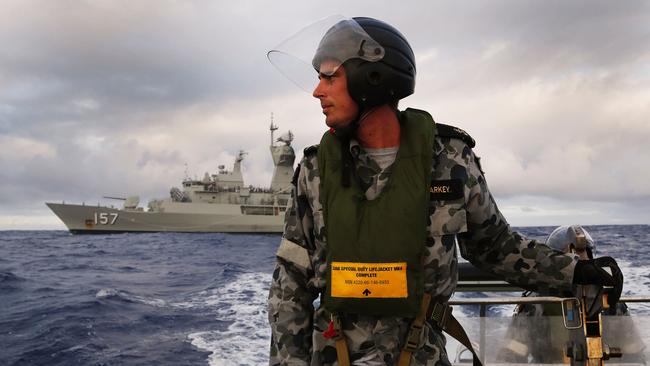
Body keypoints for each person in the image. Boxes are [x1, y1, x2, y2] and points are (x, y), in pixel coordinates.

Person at [266, 16, 623, 366]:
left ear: (370, 78)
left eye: (329, 76)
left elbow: (495, 246)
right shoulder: (314, 171)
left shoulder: (451, 159)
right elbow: (290, 288)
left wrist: (574, 273)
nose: (318, 90)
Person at [499, 225, 641, 364]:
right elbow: (511, 357)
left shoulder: (611, 303)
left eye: (584, 258)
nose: (580, 259)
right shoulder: (536, 304)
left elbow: (634, 356)